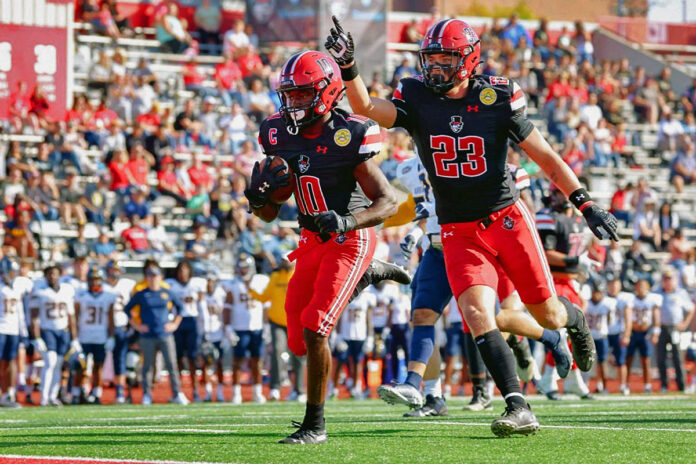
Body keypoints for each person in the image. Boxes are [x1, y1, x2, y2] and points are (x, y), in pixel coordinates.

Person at [326, 17, 618, 435]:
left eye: (446, 58)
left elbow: (546, 157)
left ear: (469, 59)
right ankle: (518, 406)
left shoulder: (496, 96)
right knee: (480, 313)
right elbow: (367, 109)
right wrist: (350, 68)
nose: (436, 67)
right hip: (457, 228)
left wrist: (584, 202)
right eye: (432, 58)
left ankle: (575, 320)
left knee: (548, 315)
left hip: (506, 219)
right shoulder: (416, 95)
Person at [245, 50, 399, 444]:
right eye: (290, 96)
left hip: (349, 238)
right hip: (310, 240)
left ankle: (315, 425)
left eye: (302, 96)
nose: (293, 104)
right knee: (297, 341)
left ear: (327, 93)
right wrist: (258, 198)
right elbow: (267, 215)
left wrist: (348, 220)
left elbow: (388, 201)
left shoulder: (348, 134)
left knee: (316, 329)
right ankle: (366, 276)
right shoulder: (276, 132)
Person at [124, 264, 188, 406]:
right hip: (148, 336)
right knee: (147, 367)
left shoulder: (167, 293)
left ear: (160, 277)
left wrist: (175, 324)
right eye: (150, 276)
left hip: (165, 334)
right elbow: (127, 309)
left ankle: (177, 393)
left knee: (172, 365)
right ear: (147, 278)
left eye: (155, 276)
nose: (153, 279)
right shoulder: (142, 294)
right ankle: (147, 394)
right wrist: (137, 325)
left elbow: (181, 308)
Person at [249, 254, 306, 402]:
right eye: (283, 260)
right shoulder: (275, 277)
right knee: (277, 352)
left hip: (296, 321)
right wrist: (251, 291)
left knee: (298, 356)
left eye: (287, 260)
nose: (284, 263)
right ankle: (275, 388)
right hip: (278, 322)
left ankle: (299, 390)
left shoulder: (301, 274)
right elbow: (264, 297)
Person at [29, 264, 78, 406]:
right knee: (50, 362)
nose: (52, 276)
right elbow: (34, 317)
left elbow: (71, 316)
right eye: (49, 274)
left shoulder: (67, 290)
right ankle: (44, 397)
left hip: (63, 331)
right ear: (45, 276)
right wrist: (37, 337)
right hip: (47, 330)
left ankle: (52, 396)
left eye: (54, 273)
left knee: (58, 364)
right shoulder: (40, 291)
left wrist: (75, 338)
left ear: (60, 275)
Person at [224, 254, 268, 404]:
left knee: (257, 361)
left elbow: (266, 305)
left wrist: (267, 325)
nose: (243, 271)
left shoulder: (261, 281)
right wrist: (228, 327)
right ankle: (236, 393)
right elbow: (227, 306)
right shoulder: (233, 284)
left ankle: (258, 391)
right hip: (239, 327)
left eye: (245, 268)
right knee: (238, 360)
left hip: (257, 327)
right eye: (240, 268)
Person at [73, 267, 115, 405]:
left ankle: (97, 393)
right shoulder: (81, 295)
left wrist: (111, 336)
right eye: (92, 279)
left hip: (100, 337)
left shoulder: (108, 296)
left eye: (97, 279)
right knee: (80, 366)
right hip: (84, 336)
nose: (95, 282)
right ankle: (76, 393)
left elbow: (110, 318)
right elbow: (76, 316)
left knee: (98, 366)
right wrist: (75, 337)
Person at [165, 261, 205, 403]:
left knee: (193, 358)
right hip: (177, 322)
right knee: (177, 359)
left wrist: (204, 327)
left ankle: (195, 390)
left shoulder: (196, 284)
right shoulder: (171, 284)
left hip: (192, 321)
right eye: (180, 270)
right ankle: (178, 391)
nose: (182, 273)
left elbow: (201, 306)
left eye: (185, 269)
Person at [655, 268, 695, 392]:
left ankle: (681, 385)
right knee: (660, 358)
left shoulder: (680, 293)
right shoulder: (657, 292)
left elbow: (691, 309)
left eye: (669, 279)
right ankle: (664, 385)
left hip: (675, 328)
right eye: (665, 279)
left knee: (678, 358)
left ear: (675, 280)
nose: (667, 281)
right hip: (661, 327)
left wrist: (684, 323)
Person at [103, 261, 135, 404]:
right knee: (96, 360)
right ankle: (89, 390)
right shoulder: (101, 286)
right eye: (112, 269)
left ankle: (120, 392)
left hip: (121, 326)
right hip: (102, 328)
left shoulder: (128, 284)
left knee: (121, 360)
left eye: (116, 269)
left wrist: (131, 324)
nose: (114, 272)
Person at [626, 278, 661, 394]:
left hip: (645, 332)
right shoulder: (630, 299)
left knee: (646, 360)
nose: (640, 289)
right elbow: (626, 316)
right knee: (628, 358)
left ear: (648, 288)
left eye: (643, 286)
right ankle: (625, 384)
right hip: (633, 332)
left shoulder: (652, 299)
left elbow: (656, 317)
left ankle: (647, 385)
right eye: (639, 286)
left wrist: (656, 333)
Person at [0, 258, 25, 408]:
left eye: (13, 271)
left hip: (13, 329)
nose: (12, 274)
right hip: (0, 328)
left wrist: (24, 332)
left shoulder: (17, 288)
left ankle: (9, 393)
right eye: (9, 271)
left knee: (11, 362)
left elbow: (20, 312)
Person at [200, 272, 226, 402]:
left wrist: (226, 331)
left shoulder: (221, 294)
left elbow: (224, 313)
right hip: (205, 334)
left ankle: (220, 392)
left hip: (218, 333)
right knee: (206, 364)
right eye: (207, 281)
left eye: (211, 281)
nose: (209, 284)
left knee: (219, 363)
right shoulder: (201, 296)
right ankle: (208, 392)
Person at [605, 275, 632, 395]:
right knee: (602, 360)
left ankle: (623, 385)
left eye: (615, 286)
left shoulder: (624, 299)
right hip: (604, 333)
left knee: (621, 361)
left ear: (620, 286)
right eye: (611, 285)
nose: (613, 288)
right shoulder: (604, 298)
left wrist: (626, 334)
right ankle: (603, 385)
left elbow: (628, 318)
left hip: (618, 333)